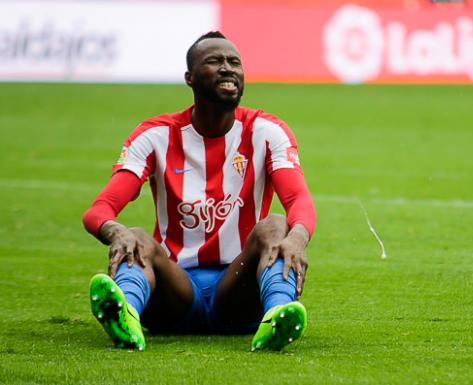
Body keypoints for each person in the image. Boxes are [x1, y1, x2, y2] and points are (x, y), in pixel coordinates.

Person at [82, 31, 316, 351]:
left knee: (276, 225)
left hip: (240, 290)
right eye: (214, 61)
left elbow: (298, 199)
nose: (227, 68)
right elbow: (99, 209)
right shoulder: (154, 136)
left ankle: (277, 315)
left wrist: (298, 238)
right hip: (173, 293)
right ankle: (125, 315)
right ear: (189, 78)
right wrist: (114, 231)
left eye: (234, 62)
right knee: (134, 234)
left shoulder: (267, 132)